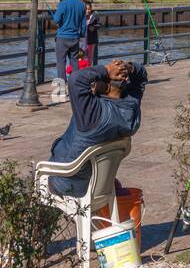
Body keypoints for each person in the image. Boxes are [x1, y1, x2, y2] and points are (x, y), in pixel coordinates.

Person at [48, 58, 147, 198]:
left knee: (36, 174)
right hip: (100, 186)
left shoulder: (92, 113)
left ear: (106, 85)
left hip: (67, 183)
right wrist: (127, 68)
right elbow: (141, 76)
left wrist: (107, 70)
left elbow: (75, 80)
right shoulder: (131, 107)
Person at [49, 0, 87, 83]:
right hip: (75, 37)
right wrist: (81, 35)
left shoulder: (63, 4)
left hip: (62, 37)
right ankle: (75, 85)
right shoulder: (81, 5)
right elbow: (83, 25)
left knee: (61, 63)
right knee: (74, 62)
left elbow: (56, 19)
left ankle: (62, 88)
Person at [82, 0, 99, 65]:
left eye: (89, 9)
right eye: (86, 9)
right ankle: (83, 68)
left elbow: (99, 25)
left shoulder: (94, 16)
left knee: (90, 56)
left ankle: (89, 69)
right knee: (83, 55)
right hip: (83, 40)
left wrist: (94, 27)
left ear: (91, 9)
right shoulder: (82, 17)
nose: (87, 11)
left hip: (92, 40)